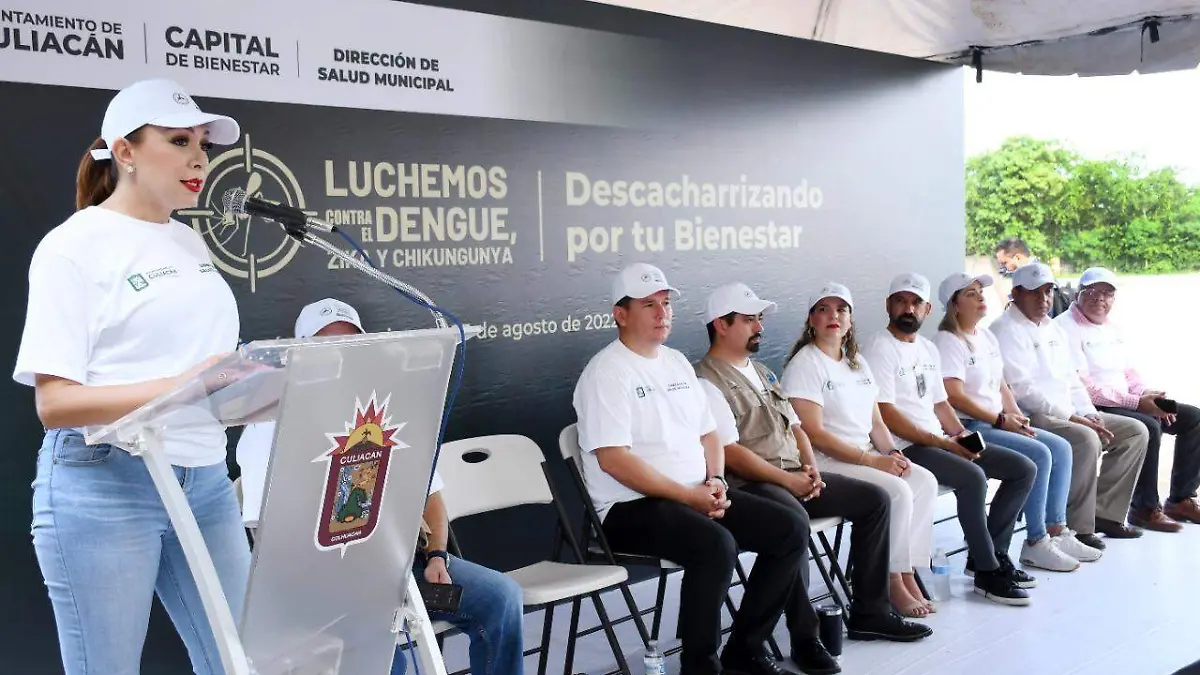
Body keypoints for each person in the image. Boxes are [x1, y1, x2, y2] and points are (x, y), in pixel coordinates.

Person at [12, 79, 250, 674]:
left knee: (243, 662)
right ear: (125, 152)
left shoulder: (189, 242)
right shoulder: (72, 247)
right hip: (105, 483)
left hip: (206, 482)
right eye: (178, 141)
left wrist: (247, 391)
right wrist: (187, 384)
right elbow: (55, 404)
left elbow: (204, 372)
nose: (199, 159)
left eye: (203, 144)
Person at [235, 298, 524, 675]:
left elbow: (431, 498)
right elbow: (272, 534)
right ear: (300, 353)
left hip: (405, 570)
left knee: (501, 598)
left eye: (351, 342)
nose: (342, 353)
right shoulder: (270, 424)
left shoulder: (389, 409)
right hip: (325, 586)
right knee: (386, 658)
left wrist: (437, 556)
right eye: (326, 344)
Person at [573, 263, 805, 675]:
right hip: (630, 508)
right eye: (649, 305)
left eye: (666, 303)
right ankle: (700, 666)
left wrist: (715, 481)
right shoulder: (605, 372)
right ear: (620, 314)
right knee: (715, 545)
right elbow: (614, 460)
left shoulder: (677, 362)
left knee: (790, 529)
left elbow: (709, 434)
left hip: (695, 493)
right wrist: (689, 496)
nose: (662, 313)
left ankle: (746, 650)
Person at [696, 282, 932, 673]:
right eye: (750, 319)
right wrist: (788, 480)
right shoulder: (707, 381)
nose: (760, 327)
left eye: (759, 319)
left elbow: (798, 428)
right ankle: (804, 637)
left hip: (794, 474)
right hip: (752, 484)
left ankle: (871, 612)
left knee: (875, 500)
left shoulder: (762, 371)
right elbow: (730, 453)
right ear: (721, 325)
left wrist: (810, 468)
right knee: (792, 524)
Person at [862, 274, 1036, 606]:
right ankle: (986, 570)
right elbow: (885, 413)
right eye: (901, 301)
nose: (908, 309)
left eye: (916, 303)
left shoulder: (927, 348)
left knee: (1022, 469)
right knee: (973, 478)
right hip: (905, 446)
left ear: (927, 309)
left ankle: (994, 552)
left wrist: (960, 435)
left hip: (938, 439)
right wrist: (943, 442)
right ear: (888, 305)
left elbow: (941, 404)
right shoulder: (879, 347)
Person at [780, 282, 940, 619]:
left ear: (850, 319)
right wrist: (872, 461)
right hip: (827, 462)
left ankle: (907, 570)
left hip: (864, 454)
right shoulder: (805, 364)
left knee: (923, 480)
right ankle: (890, 580)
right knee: (897, 490)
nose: (833, 316)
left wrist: (891, 453)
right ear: (811, 319)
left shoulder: (857, 362)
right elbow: (813, 433)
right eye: (823, 309)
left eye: (841, 309)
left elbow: (876, 422)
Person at [933, 272, 1096, 572]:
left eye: (980, 292)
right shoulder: (948, 341)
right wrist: (1000, 419)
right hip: (970, 427)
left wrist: (1016, 417)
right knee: (1040, 453)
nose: (980, 297)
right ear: (954, 305)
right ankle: (1036, 541)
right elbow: (953, 395)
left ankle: (1056, 529)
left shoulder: (985, 337)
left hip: (997, 422)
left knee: (1060, 447)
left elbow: (1001, 385)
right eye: (970, 294)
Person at [990, 263, 1149, 551]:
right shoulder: (1004, 329)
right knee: (1085, 438)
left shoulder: (1051, 327)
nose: (1044, 299)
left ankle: (1105, 513)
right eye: (1035, 293)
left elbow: (1072, 379)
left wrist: (1089, 413)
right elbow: (1023, 391)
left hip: (1069, 411)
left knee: (1135, 431)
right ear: (1016, 293)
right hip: (1033, 415)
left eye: (1048, 292)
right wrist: (1075, 418)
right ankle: (1076, 527)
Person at [1056, 267, 1200, 531]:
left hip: (1126, 399)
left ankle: (1180, 499)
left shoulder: (1112, 328)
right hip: (1091, 405)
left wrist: (1146, 395)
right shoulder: (1064, 328)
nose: (1100, 298)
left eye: (1107, 293)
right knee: (1150, 425)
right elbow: (1084, 387)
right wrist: (1137, 403)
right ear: (1077, 294)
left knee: (1193, 418)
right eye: (1092, 291)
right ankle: (1143, 508)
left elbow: (1129, 373)